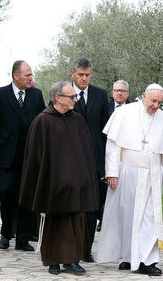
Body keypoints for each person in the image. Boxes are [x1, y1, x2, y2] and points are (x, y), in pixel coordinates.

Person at [19, 81, 98, 275]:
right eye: (71, 97)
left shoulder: (78, 120)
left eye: (75, 96)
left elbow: (86, 153)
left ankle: (72, 260)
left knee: (75, 222)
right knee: (54, 223)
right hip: (51, 184)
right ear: (57, 98)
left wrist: (85, 178)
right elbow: (34, 157)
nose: (75, 100)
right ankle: (53, 260)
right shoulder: (42, 121)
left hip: (76, 185)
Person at [97, 83, 163, 276]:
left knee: (148, 217)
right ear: (144, 96)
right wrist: (112, 172)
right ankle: (129, 257)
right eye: (153, 101)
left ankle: (148, 260)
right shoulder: (124, 112)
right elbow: (112, 145)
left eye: (159, 102)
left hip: (152, 174)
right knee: (127, 215)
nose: (155, 105)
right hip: (128, 171)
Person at [0, 60, 46, 251]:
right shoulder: (0, 95)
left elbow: (43, 122)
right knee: (7, 194)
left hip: (30, 156)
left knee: (26, 197)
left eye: (31, 75)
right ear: (16, 76)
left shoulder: (36, 94)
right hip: (6, 157)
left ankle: (23, 239)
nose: (31, 78)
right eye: (27, 75)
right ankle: (6, 233)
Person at [71, 57, 108, 262]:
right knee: (73, 208)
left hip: (94, 163)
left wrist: (104, 165)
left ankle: (86, 249)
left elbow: (105, 132)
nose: (84, 79)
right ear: (73, 74)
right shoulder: (62, 94)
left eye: (87, 75)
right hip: (71, 162)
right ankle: (72, 249)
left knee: (92, 209)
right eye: (80, 75)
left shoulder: (100, 95)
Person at [96, 79, 131, 232]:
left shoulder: (133, 109)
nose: (119, 93)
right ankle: (103, 220)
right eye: (116, 90)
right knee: (104, 190)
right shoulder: (105, 108)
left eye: (122, 91)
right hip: (105, 153)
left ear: (127, 93)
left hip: (126, 157)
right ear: (112, 92)